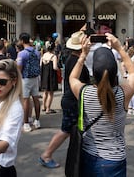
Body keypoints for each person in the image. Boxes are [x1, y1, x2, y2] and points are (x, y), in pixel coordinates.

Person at [69, 33, 134, 176]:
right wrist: (119, 48)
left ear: (93, 71)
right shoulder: (122, 94)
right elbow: (133, 73)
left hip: (89, 155)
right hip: (115, 159)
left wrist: (83, 55)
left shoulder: (84, 92)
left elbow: (72, 77)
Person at [39, 30, 90, 168]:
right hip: (72, 100)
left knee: (74, 129)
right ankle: (47, 154)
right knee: (66, 130)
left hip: (72, 99)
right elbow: (78, 82)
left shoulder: (72, 59)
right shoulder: (75, 61)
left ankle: (79, 155)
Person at [16, 32, 41, 132]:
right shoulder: (36, 52)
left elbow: (19, 67)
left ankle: (26, 123)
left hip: (25, 78)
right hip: (35, 77)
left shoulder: (22, 53)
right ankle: (37, 120)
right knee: (36, 99)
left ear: (22, 41)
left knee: (25, 100)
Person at [40, 42, 59, 114]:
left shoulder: (44, 55)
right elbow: (54, 67)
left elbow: (40, 65)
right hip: (51, 76)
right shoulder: (53, 56)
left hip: (44, 75)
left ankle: (43, 106)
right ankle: (48, 108)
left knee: (45, 92)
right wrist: (58, 69)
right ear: (54, 48)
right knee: (51, 93)